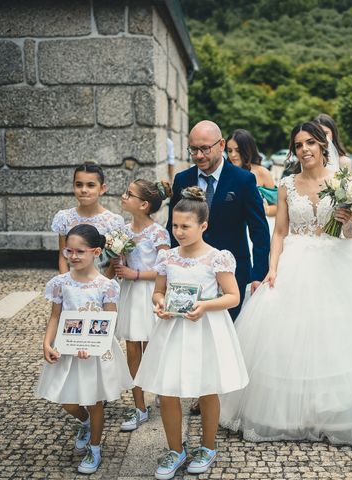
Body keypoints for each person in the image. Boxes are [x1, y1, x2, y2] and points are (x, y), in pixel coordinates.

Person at [219, 121, 352, 445]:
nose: (304, 150)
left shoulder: (343, 182)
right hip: (295, 262)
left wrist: (347, 221)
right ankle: (289, 412)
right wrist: (271, 269)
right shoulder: (287, 184)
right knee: (287, 336)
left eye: (310, 143)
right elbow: (279, 232)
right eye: (298, 145)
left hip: (335, 263)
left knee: (336, 336)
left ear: (322, 146)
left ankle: (334, 410)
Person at [135, 187, 248, 479]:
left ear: (203, 226)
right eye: (175, 225)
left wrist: (205, 306)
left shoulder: (217, 258)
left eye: (186, 226)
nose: (179, 231)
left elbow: (233, 296)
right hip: (172, 329)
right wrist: (159, 303)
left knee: (206, 388)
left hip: (205, 329)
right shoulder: (168, 258)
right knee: (167, 390)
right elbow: (158, 292)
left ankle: (208, 447)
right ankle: (176, 449)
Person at [35, 224, 132, 474]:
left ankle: (95, 447)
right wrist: (47, 343)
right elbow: (55, 316)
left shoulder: (106, 285)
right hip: (67, 348)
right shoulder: (60, 283)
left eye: (80, 251)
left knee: (94, 400)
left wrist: (94, 346)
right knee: (68, 401)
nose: (74, 256)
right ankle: (85, 422)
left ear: (96, 252)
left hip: (95, 352)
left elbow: (109, 322)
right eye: (69, 251)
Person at [166, 120, 270, 320]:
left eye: (205, 149)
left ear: (221, 145)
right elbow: (173, 226)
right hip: (189, 272)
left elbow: (259, 231)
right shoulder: (182, 179)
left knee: (225, 329)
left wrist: (259, 275)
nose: (198, 155)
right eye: (193, 149)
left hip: (230, 272)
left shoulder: (243, 180)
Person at [112, 178, 171, 432]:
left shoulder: (158, 233)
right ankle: (139, 406)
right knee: (133, 347)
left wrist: (133, 273)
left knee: (153, 346)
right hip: (130, 294)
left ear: (144, 204)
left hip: (149, 292)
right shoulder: (123, 231)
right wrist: (116, 261)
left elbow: (164, 270)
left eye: (129, 194)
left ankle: (159, 389)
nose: (124, 196)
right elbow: (119, 261)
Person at [52, 162, 124, 274]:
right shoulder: (65, 218)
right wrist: (66, 283)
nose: (84, 190)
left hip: (103, 282)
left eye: (90, 185)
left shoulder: (113, 221)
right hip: (73, 281)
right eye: (79, 184)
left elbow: (114, 261)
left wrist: (103, 285)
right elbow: (63, 256)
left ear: (102, 188)